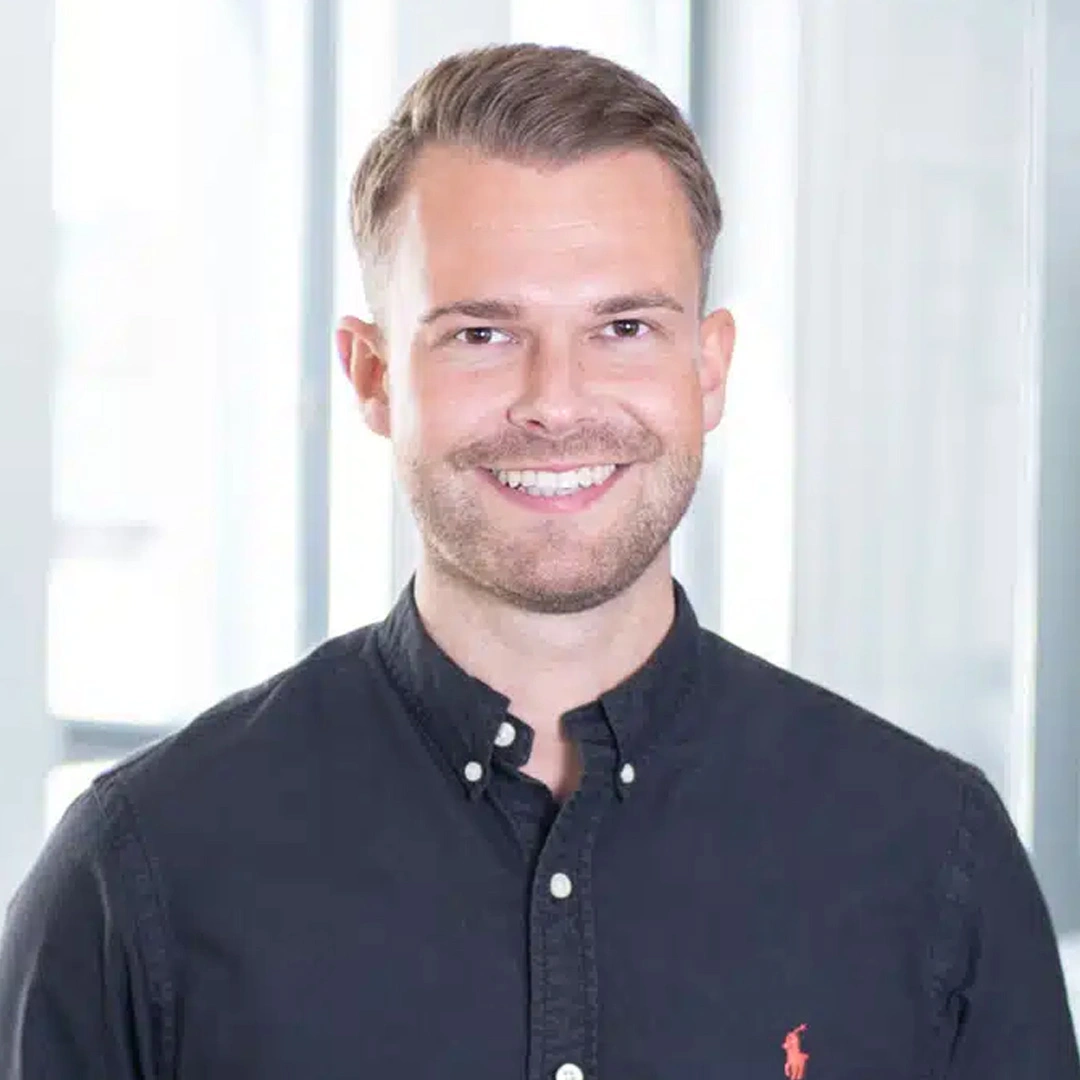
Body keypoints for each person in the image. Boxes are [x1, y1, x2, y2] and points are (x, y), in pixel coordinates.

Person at [1, 42, 1077, 1080]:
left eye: (624, 327)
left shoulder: (931, 855)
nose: (556, 404)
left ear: (709, 370)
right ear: (373, 376)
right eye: (482, 334)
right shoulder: (143, 870)